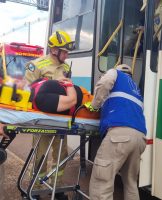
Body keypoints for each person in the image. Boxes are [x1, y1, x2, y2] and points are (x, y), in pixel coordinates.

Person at [25, 30, 75, 200]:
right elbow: (28, 93)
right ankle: (37, 187)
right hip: (42, 120)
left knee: (61, 154)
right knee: (41, 154)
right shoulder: (36, 65)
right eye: (65, 51)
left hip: (61, 119)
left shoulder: (66, 67)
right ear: (54, 50)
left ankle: (57, 186)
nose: (67, 55)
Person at [85, 64, 147, 200]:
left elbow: (105, 83)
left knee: (102, 182)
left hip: (120, 135)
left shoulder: (115, 73)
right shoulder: (136, 89)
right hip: (140, 138)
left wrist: (95, 105)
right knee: (131, 183)